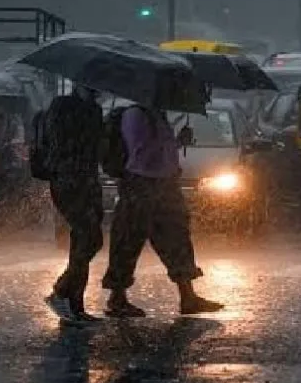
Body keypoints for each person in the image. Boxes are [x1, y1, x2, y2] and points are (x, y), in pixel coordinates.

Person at [102, 103, 223, 317]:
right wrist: (167, 144)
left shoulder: (158, 114)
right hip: (141, 184)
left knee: (176, 238)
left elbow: (158, 151)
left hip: (165, 184)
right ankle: (117, 298)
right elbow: (140, 152)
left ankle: (188, 297)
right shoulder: (135, 115)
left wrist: (177, 142)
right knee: (128, 240)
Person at [42, 84, 106, 324]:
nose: (95, 91)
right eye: (90, 87)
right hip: (68, 179)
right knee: (89, 237)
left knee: (84, 240)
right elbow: (61, 140)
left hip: (88, 179)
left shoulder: (95, 110)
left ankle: (75, 305)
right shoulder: (62, 106)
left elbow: (98, 148)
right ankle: (61, 292)